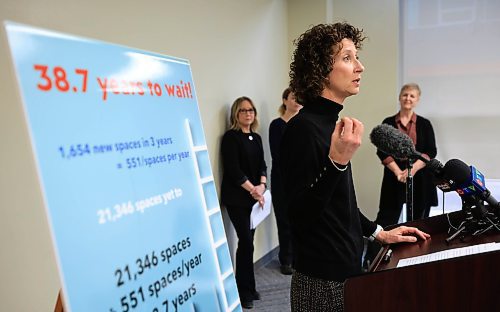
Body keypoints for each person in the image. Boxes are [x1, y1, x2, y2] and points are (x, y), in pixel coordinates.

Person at [280, 22, 430, 311]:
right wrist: (337, 162)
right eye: (347, 58)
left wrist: (378, 232)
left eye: (356, 57)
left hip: (347, 269)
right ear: (320, 68)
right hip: (322, 280)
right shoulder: (302, 129)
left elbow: (339, 204)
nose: (359, 66)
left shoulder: (329, 124)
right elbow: (299, 216)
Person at [220, 96, 267, 309]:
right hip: (237, 198)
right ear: (236, 115)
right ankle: (242, 291)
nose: (248, 113)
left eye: (251, 110)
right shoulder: (231, 137)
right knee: (245, 242)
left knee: (249, 243)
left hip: (255, 198)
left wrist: (262, 187)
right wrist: (254, 190)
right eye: (243, 110)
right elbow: (233, 170)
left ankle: (250, 285)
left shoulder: (256, 138)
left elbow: (263, 166)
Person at [375, 83, 438, 225]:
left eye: (412, 95)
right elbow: (382, 151)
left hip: (420, 177)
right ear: (399, 97)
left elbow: (431, 151)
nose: (408, 98)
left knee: (420, 223)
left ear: (417, 100)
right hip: (394, 177)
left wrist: (412, 170)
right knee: (386, 220)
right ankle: (381, 247)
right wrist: (398, 172)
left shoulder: (425, 124)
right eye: (405, 95)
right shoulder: (388, 122)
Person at [269, 88, 302, 275]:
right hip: (282, 180)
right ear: (284, 100)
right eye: (292, 97)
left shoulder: (304, 124)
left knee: (299, 221)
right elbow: (277, 155)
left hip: (301, 180)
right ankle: (286, 259)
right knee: (284, 220)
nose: (297, 100)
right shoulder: (277, 125)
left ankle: (299, 259)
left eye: (299, 98)